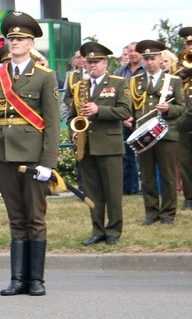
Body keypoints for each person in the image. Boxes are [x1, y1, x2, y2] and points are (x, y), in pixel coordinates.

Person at [0, 11, 59, 297]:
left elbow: (51, 123)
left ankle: (36, 280)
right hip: (3, 154)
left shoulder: (44, 77)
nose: (13, 42)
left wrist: (48, 161)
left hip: (32, 156)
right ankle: (17, 279)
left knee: (35, 217)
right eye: (10, 38)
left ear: (31, 43)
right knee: (15, 217)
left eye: (20, 38)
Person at [65, 41, 131, 245]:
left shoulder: (118, 82)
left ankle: (113, 231)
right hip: (87, 145)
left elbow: (125, 111)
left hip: (109, 145)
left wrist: (99, 110)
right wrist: (73, 131)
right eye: (89, 62)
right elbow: (72, 114)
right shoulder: (79, 85)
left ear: (105, 63)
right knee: (92, 192)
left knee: (112, 192)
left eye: (96, 62)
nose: (91, 65)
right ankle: (97, 230)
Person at [126, 39, 185, 226]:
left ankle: (168, 213)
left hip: (166, 133)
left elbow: (182, 107)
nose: (149, 62)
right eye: (147, 59)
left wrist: (168, 108)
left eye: (153, 58)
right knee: (147, 175)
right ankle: (151, 212)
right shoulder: (136, 81)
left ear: (161, 58)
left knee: (167, 176)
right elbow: (132, 107)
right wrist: (128, 117)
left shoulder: (173, 80)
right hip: (144, 134)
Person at [115, 42, 145, 195]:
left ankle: (145, 187)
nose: (133, 54)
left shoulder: (146, 70)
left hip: (143, 117)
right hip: (125, 118)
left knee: (145, 154)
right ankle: (129, 188)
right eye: (130, 51)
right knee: (127, 155)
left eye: (135, 51)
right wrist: (123, 117)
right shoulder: (120, 71)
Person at [176, 26, 192, 212]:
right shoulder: (180, 65)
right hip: (185, 122)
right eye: (188, 43)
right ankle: (189, 198)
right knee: (186, 162)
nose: (190, 47)